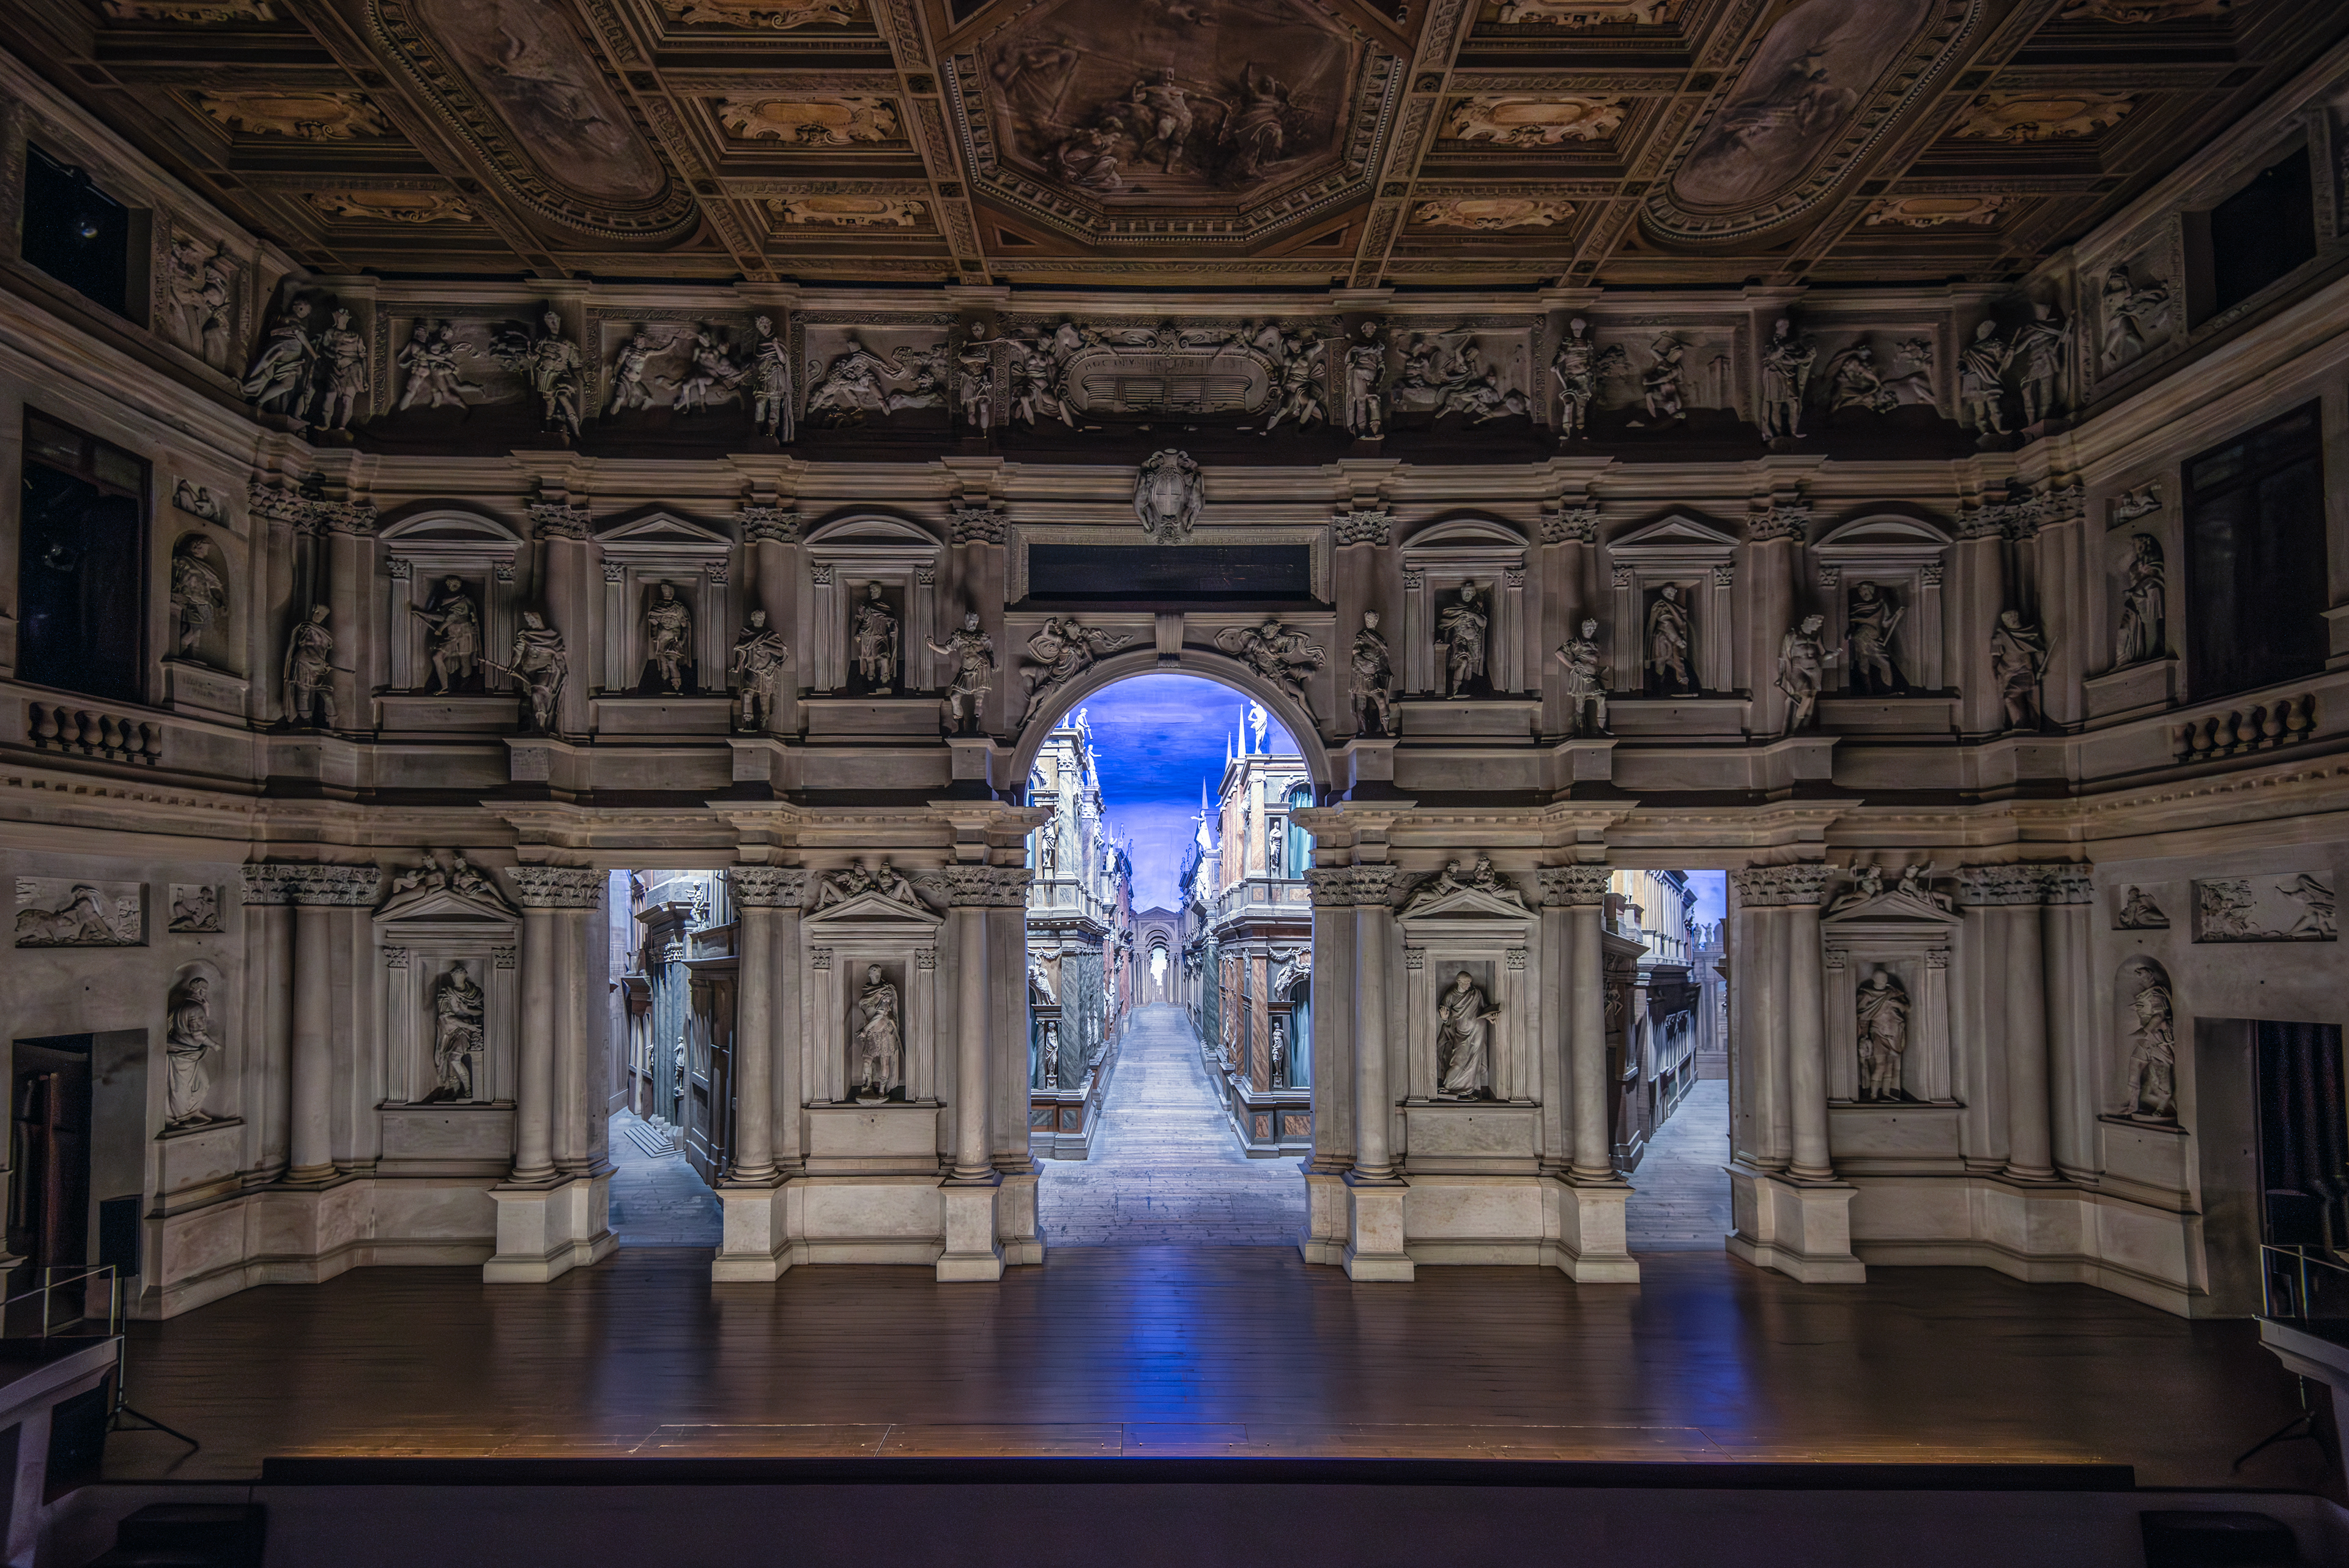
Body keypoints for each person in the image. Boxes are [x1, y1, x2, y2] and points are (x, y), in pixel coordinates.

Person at [165, 975, 221, 1128]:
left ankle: (191, 1112)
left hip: (186, 1051)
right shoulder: (194, 1009)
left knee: (200, 1084)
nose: (205, 994)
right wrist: (214, 1045)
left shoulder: (184, 1006)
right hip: (184, 1054)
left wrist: (206, 1007)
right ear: (201, 991)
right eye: (205, 991)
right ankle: (183, 1116)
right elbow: (198, 1034)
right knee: (183, 1088)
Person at [926, 612, 995, 734]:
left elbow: (990, 652)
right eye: (970, 622)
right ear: (965, 621)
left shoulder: (982, 636)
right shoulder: (959, 635)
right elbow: (947, 649)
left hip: (981, 669)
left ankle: (976, 727)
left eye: (975, 622)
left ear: (977, 622)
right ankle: (960, 725)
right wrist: (933, 646)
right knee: (954, 696)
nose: (972, 625)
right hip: (965, 671)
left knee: (978, 701)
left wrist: (993, 666)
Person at [410, 576, 481, 694]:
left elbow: (452, 617)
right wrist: (422, 614)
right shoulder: (446, 601)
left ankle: (465, 684)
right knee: (437, 657)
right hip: (452, 635)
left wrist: (440, 629)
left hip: (465, 633)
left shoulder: (464, 601)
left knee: (465, 660)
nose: (452, 587)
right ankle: (445, 687)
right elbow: (443, 617)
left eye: (455, 585)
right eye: (450, 585)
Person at [427, 962, 486, 1103]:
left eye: (460, 977)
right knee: (446, 1060)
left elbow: (481, 1011)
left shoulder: (474, 992)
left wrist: (467, 1010)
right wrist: (466, 1024)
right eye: (455, 977)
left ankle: (467, 1090)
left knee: (454, 1058)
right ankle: (454, 1090)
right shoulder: (446, 993)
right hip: (449, 1029)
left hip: (464, 1030)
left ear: (465, 977)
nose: (457, 980)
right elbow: (445, 1017)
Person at [1434, 970, 1498, 1100]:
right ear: (1459, 982)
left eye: (1470, 982)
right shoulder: (1451, 995)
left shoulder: (1476, 993)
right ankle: (1449, 1086)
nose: (1469, 985)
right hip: (1461, 1033)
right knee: (1458, 1062)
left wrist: (1490, 1017)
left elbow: (1483, 1008)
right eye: (1466, 983)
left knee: (1474, 1061)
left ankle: (1468, 1090)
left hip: (1478, 1030)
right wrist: (1445, 1018)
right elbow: (1444, 1012)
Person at [1854, 967, 1909, 1103]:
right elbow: (1862, 1017)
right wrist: (1864, 1036)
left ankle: (1886, 1094)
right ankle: (1873, 1095)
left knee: (1890, 1066)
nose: (1883, 981)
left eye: (1885, 979)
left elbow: (1907, 1008)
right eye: (1880, 979)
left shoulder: (1893, 993)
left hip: (1895, 1033)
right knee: (1881, 1065)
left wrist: (1898, 1004)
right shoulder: (1867, 995)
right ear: (1874, 980)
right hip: (1878, 1033)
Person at [730, 610, 790, 732]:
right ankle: (748, 723)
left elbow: (781, 652)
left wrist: (767, 647)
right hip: (751, 669)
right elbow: (741, 650)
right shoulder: (746, 633)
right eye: (757, 618)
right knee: (747, 695)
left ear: (764, 619)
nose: (759, 620)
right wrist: (737, 664)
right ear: (752, 618)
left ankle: (764, 724)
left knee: (764, 700)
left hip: (767, 671)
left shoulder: (770, 635)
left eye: (761, 618)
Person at [1989, 610, 2049, 729]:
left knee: (2010, 697)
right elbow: (1995, 655)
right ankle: (2022, 722)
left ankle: (2020, 723)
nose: (2011, 620)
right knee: (2014, 697)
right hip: (2009, 671)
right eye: (2009, 619)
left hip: (2023, 671)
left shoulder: (2026, 633)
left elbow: (2039, 651)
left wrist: (2041, 666)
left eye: (2012, 618)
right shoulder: (2003, 635)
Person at [1776, 613, 1835, 733]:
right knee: (1806, 696)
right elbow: (1783, 656)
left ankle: (1805, 727)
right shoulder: (1792, 637)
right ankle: (1794, 728)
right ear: (1806, 623)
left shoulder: (1816, 637)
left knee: (1811, 700)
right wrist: (1781, 675)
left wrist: (1834, 654)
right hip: (1798, 669)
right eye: (1814, 624)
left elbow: (1822, 654)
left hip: (1814, 670)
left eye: (1817, 625)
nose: (1815, 627)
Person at [284, 603, 336, 727]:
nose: (316, 616)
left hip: (318, 666)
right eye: (316, 613)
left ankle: (332, 721)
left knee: (327, 693)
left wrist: (323, 664)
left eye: (319, 614)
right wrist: (322, 663)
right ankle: (305, 722)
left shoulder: (322, 632)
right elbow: (307, 648)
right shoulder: (308, 628)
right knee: (304, 692)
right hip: (305, 662)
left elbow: (319, 650)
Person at [854, 964, 902, 1098]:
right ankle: (867, 1085)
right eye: (874, 973)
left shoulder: (886, 991)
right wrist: (866, 1027)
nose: (876, 975)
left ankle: (882, 1090)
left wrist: (865, 1028)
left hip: (884, 1030)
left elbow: (880, 1014)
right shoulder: (866, 989)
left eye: (878, 973)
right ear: (869, 974)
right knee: (867, 1062)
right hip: (870, 1030)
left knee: (885, 1061)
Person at [1555, 618, 1607, 735]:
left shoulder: (1595, 642)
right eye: (1588, 628)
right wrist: (1570, 665)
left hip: (1594, 676)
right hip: (1581, 675)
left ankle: (1601, 730)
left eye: (1592, 628)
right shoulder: (1576, 641)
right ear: (1583, 628)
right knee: (1580, 701)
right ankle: (1581, 731)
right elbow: (1559, 653)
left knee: (1601, 699)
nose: (1590, 630)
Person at [1439, 583, 1488, 699]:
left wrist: (1473, 615)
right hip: (1460, 639)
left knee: (1470, 666)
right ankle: (1454, 689)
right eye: (1467, 591)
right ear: (1462, 590)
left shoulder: (1475, 608)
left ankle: (1464, 690)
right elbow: (1444, 621)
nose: (1469, 594)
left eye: (1471, 592)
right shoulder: (1454, 605)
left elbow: (1483, 624)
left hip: (1474, 640)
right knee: (1463, 662)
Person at [1647, 583, 1693, 691]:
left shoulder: (1671, 606)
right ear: (1663, 594)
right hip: (1663, 639)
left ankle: (1679, 683)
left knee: (1674, 661)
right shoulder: (1663, 605)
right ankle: (1658, 685)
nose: (1671, 594)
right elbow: (1666, 624)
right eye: (1668, 592)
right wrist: (1679, 641)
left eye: (1673, 592)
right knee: (1662, 661)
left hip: (1669, 639)